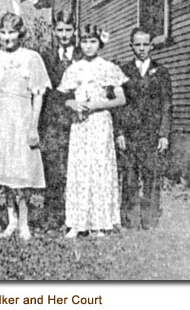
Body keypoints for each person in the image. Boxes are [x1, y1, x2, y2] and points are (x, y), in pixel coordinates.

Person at [0, 12, 50, 240]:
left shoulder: (32, 58)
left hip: (21, 117)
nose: (7, 37)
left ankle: (24, 222)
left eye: (11, 32)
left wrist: (33, 126)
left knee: (21, 172)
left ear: (21, 33)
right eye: (3, 32)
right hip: (0, 119)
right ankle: (11, 221)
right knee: (5, 173)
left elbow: (38, 95)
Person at [58, 24, 128, 238]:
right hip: (80, 124)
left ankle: (100, 222)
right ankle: (78, 223)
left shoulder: (108, 67)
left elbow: (121, 98)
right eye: (85, 42)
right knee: (80, 167)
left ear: (100, 43)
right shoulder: (74, 68)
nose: (88, 46)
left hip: (99, 122)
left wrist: (97, 105)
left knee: (99, 167)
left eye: (93, 42)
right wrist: (73, 105)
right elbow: (63, 97)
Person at [114, 28, 172, 230]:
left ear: (151, 46)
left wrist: (164, 134)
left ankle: (150, 218)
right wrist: (119, 132)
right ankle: (130, 219)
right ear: (131, 46)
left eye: (145, 44)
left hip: (152, 132)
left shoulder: (161, 72)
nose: (141, 49)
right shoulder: (123, 71)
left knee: (152, 174)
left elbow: (166, 104)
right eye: (137, 45)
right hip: (130, 132)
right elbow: (119, 105)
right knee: (129, 174)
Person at [39, 10, 83, 232]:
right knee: (54, 169)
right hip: (54, 121)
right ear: (54, 31)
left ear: (74, 30)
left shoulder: (83, 56)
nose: (64, 35)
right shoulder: (45, 57)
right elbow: (45, 91)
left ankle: (77, 216)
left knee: (77, 168)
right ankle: (53, 216)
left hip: (79, 120)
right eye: (60, 30)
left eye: (68, 30)